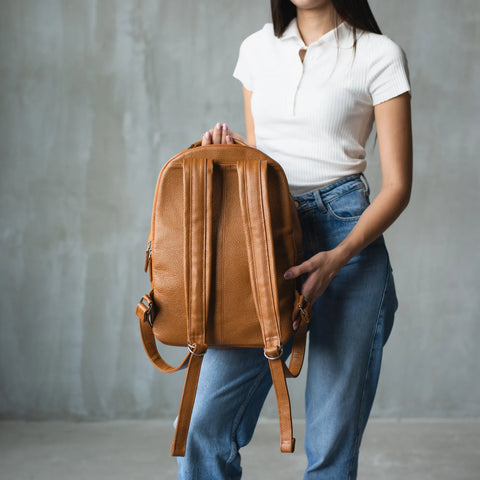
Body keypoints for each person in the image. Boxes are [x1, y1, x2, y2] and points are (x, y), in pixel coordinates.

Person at [178, 0, 412, 478]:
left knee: (330, 443)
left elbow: (399, 187)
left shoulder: (378, 54)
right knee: (206, 426)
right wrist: (228, 151)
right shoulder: (257, 49)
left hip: (348, 240)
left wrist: (338, 256)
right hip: (266, 235)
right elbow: (266, 160)